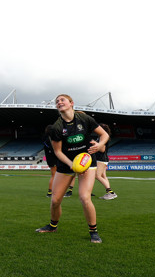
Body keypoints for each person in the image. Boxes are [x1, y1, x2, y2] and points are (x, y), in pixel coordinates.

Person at [36, 94, 109, 243]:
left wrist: (100, 145)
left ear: (71, 103)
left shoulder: (84, 119)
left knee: (84, 197)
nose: (59, 102)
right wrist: (72, 165)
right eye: (57, 101)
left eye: (62, 100)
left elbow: (104, 134)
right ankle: (52, 226)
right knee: (55, 200)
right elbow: (57, 152)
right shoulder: (56, 127)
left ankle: (93, 231)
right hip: (66, 164)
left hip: (87, 161)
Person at [43, 125, 75, 198]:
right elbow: (54, 150)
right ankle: (52, 192)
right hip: (54, 159)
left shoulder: (46, 139)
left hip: (51, 159)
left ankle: (52, 191)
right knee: (58, 175)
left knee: (56, 175)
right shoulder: (51, 139)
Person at [96, 123, 118, 200]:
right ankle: (110, 193)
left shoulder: (103, 137)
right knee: (103, 176)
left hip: (101, 159)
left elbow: (102, 149)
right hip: (102, 159)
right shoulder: (102, 137)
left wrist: (95, 144)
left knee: (97, 176)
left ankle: (111, 192)